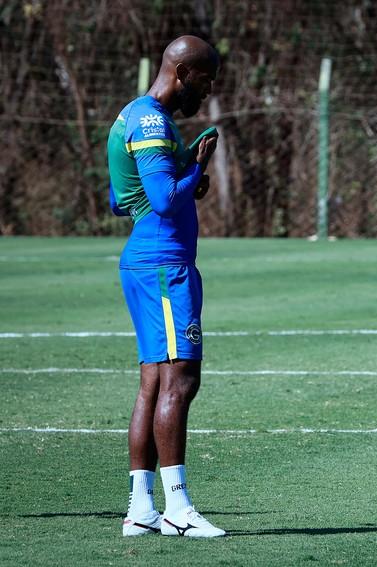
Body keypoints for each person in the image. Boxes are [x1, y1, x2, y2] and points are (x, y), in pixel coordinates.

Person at [107, 35, 225, 538]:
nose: (210, 88)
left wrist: (185, 173)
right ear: (182, 74)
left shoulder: (133, 115)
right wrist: (196, 165)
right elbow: (158, 199)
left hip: (149, 260)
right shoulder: (154, 120)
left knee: (154, 383)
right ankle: (177, 508)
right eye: (206, 78)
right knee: (181, 380)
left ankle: (140, 508)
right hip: (163, 265)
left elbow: (119, 197)